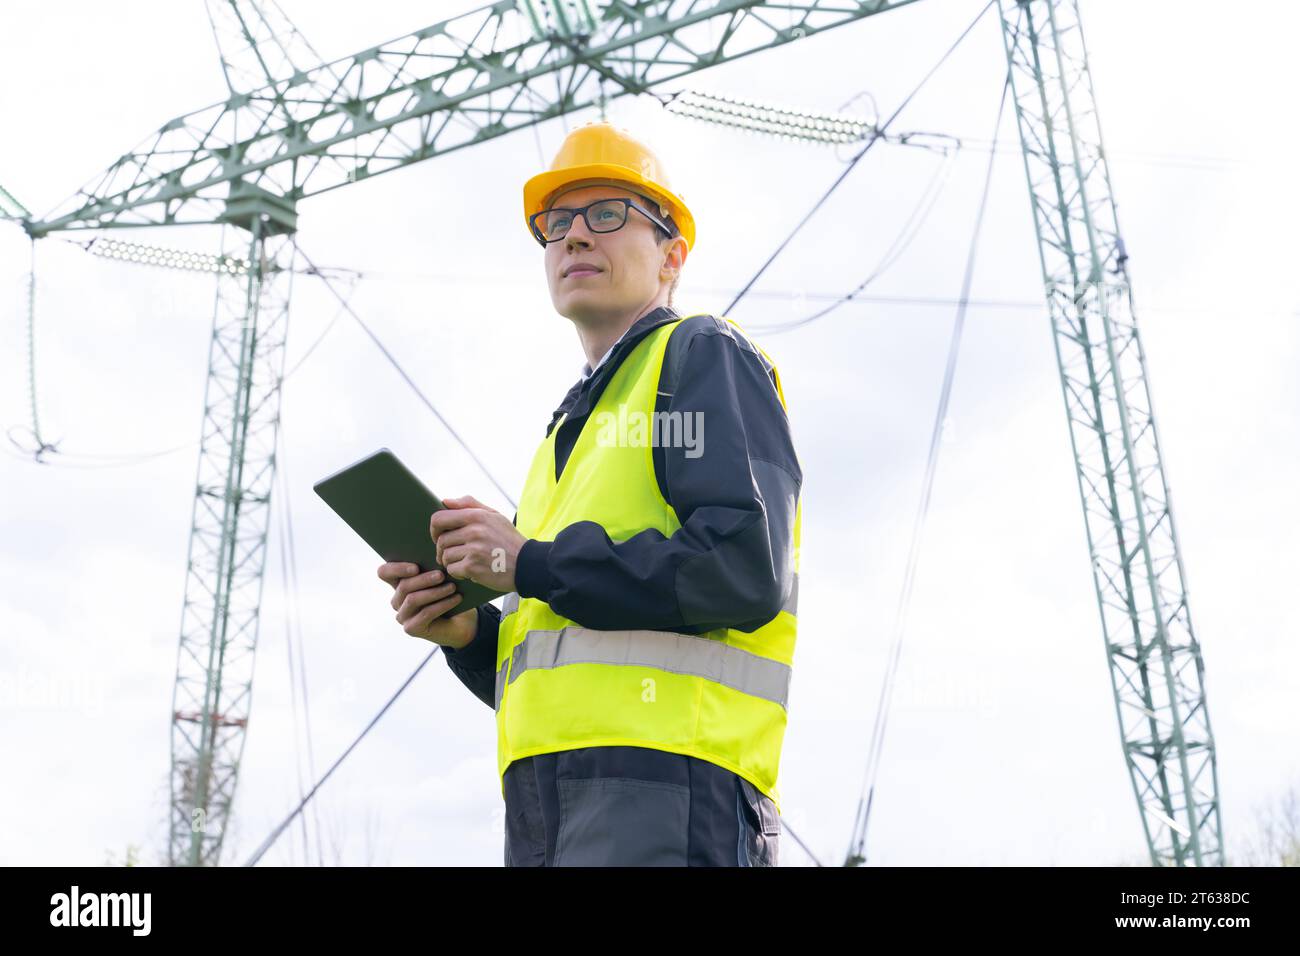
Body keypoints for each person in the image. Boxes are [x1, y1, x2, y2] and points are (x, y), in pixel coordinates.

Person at [377, 121, 802, 866]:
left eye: (607, 215)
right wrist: (470, 637)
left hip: (668, 795)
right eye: (556, 225)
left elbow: (740, 568)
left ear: (672, 256)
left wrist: (528, 563)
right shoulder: (561, 440)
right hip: (551, 805)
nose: (574, 237)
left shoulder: (698, 356)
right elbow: (566, 663)